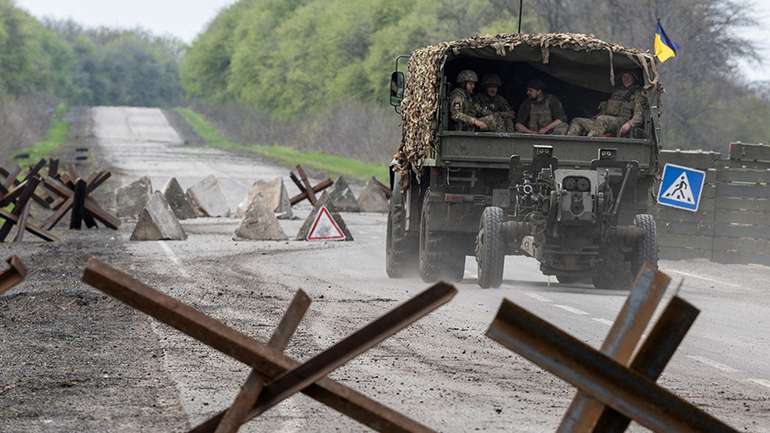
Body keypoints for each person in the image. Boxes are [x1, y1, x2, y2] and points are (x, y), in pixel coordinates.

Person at [567, 72, 645, 137]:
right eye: (624, 76)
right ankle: (568, 146)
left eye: (629, 76)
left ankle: (590, 145)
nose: (626, 78)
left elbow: (639, 116)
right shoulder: (617, 92)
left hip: (622, 122)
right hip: (605, 121)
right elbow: (607, 108)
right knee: (577, 121)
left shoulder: (637, 93)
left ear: (634, 78)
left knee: (602, 119)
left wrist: (629, 124)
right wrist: (596, 116)